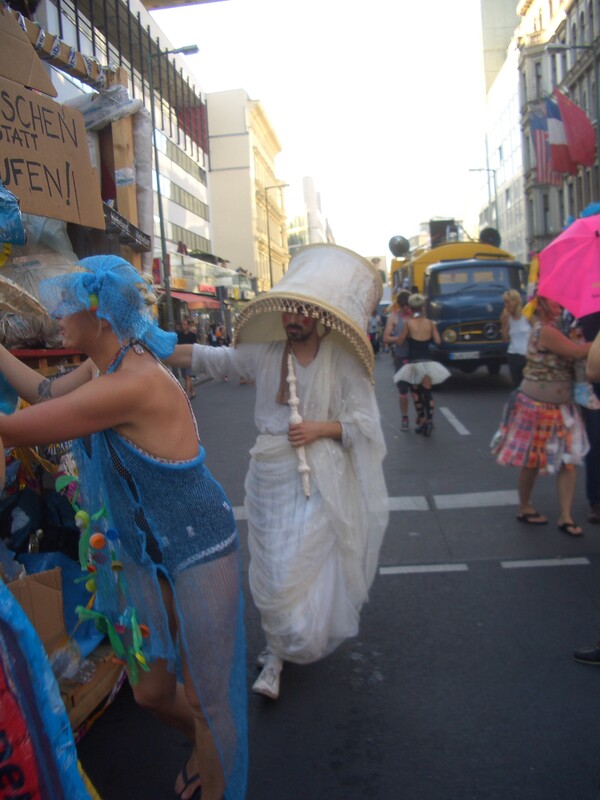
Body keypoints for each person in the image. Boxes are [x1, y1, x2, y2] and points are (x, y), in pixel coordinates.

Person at [0, 256, 247, 800]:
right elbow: (41, 394)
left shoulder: (129, 384)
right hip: (144, 551)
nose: (58, 318)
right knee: (153, 693)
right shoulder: (104, 367)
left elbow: (14, 428)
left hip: (200, 547)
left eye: (67, 307)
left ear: (102, 316)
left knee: (209, 702)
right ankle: (209, 754)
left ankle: (216, 775)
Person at [168, 244, 389, 701]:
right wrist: (155, 348)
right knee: (270, 565)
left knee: (294, 567)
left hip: (319, 479)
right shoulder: (266, 353)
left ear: (320, 317)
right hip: (267, 477)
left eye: (304, 311)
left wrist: (319, 428)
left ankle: (278, 652)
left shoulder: (344, 361)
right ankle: (278, 646)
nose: (295, 318)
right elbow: (215, 361)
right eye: (290, 310)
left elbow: (365, 426)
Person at [492, 296, 591, 537]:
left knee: (568, 460)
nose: (560, 306)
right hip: (536, 406)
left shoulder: (560, 328)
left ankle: (566, 516)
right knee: (532, 460)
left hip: (562, 407)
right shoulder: (544, 330)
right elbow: (576, 352)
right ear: (545, 306)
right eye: (556, 303)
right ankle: (524, 506)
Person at [392, 293, 450, 436]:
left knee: (416, 393)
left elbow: (399, 342)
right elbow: (437, 341)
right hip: (427, 361)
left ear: (410, 308)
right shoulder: (430, 323)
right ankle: (429, 420)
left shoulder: (408, 324)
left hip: (413, 362)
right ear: (423, 307)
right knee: (428, 392)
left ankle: (422, 420)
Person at [383, 290, 413, 431]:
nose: (406, 308)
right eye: (403, 306)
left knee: (419, 389)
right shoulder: (394, 317)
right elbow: (386, 338)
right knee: (403, 390)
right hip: (401, 357)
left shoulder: (416, 315)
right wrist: (399, 339)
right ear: (400, 306)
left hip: (416, 357)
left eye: (408, 305)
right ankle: (405, 417)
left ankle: (423, 417)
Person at [500, 289, 531, 387]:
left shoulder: (527, 316)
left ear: (516, 302)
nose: (506, 305)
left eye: (508, 302)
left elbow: (537, 333)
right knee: (517, 385)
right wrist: (504, 324)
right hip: (513, 354)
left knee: (527, 385)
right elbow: (505, 338)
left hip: (527, 355)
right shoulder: (507, 318)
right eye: (505, 302)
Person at [177, 317, 198, 399]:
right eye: (182, 324)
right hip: (182, 357)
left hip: (189, 357)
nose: (183, 326)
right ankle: (193, 391)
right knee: (185, 376)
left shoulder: (192, 335)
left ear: (189, 326)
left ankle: (187, 394)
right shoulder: (179, 335)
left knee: (188, 376)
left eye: (185, 324)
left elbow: (195, 346)